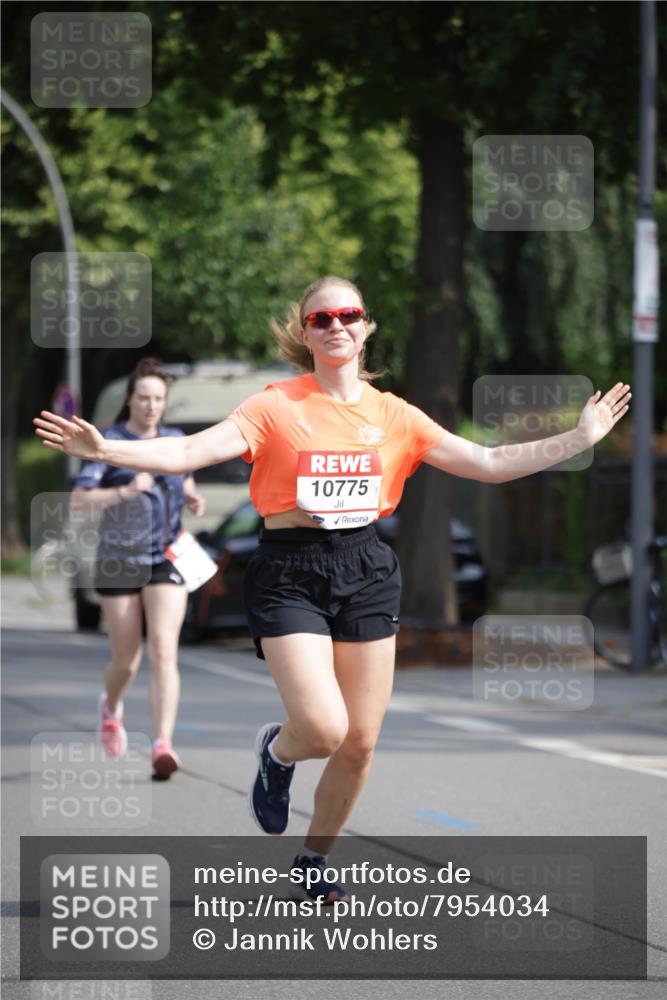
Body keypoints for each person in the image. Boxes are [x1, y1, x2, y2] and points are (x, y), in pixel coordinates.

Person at [34, 275, 631, 900]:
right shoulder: (275, 406)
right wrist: (111, 451)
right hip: (290, 570)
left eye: (348, 314)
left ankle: (314, 860)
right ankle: (279, 753)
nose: (336, 325)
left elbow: (486, 463)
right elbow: (190, 452)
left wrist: (580, 439)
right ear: (305, 332)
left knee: (360, 743)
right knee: (322, 727)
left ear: (366, 325)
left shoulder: (394, 414)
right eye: (321, 319)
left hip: (366, 566)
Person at [68, 357, 205, 779]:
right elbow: (80, 499)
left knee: (165, 649)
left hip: (166, 555)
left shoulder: (174, 439)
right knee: (127, 658)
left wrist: (192, 496)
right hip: (119, 560)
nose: (151, 405)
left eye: (159, 399)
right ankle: (111, 709)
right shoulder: (108, 441)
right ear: (130, 398)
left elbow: (184, 478)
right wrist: (126, 490)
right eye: (144, 397)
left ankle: (163, 743)